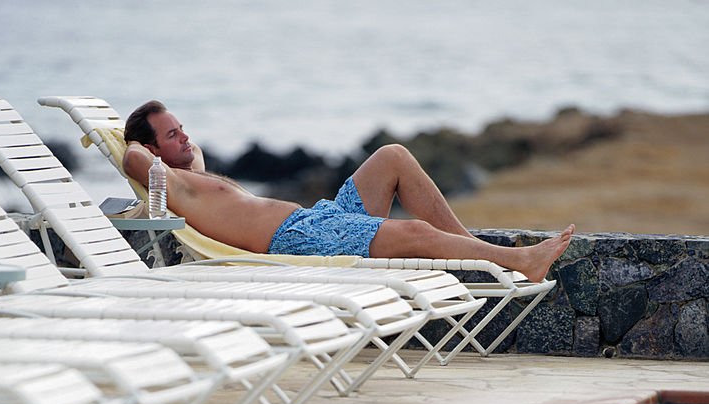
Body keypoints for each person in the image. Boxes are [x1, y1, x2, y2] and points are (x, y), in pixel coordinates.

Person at [123, 100, 574, 282]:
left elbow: (192, 155)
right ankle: (519, 261)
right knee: (414, 232)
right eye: (172, 135)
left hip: (316, 221)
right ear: (150, 147)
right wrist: (143, 154)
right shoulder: (166, 177)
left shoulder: (191, 175)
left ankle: (474, 249)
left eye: (183, 129)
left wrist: (178, 148)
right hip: (296, 241)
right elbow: (133, 160)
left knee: (393, 155)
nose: (185, 138)